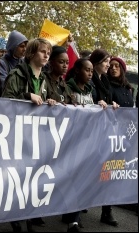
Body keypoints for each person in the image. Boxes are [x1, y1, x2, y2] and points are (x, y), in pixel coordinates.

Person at [1, 38, 55, 232]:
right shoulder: (16, 74)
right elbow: (5, 102)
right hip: (17, 134)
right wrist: (26, 96)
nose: (46, 55)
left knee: (32, 179)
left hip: (36, 136)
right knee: (17, 177)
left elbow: (49, 99)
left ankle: (28, 218)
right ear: (31, 54)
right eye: (42, 51)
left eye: (48, 52)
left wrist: (50, 101)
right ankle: (15, 218)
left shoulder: (44, 79)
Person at [88, 48, 119, 227]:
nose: (108, 65)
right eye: (106, 61)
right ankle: (72, 214)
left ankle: (106, 211)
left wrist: (112, 103)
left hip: (105, 132)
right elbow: (86, 100)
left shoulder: (105, 81)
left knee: (108, 171)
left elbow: (108, 100)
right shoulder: (90, 79)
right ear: (97, 62)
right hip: (90, 133)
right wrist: (95, 104)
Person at [0, 30, 28, 97]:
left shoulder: (23, 62)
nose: (25, 49)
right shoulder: (2, 63)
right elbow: (5, 87)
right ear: (13, 46)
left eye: (25, 46)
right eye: (21, 46)